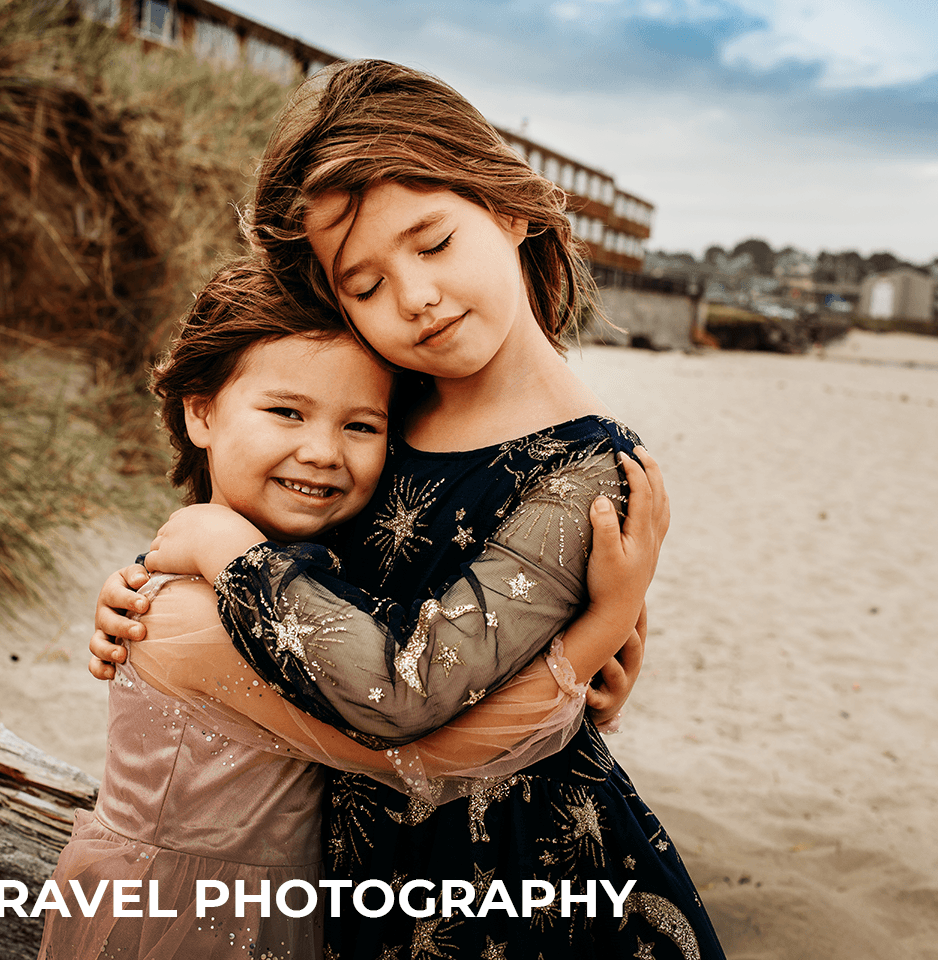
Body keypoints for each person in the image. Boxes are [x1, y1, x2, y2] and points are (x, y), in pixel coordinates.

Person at [92, 61, 722, 959]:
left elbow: (407, 690)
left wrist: (230, 558)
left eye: (432, 244)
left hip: (521, 884)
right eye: (364, 284)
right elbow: (290, 549)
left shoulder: (588, 474)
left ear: (506, 208)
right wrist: (145, 590)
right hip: (365, 869)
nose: (414, 298)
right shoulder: (385, 403)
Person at [43, 258, 664, 960]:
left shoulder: (307, 580)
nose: (321, 453)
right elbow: (424, 754)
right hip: (181, 924)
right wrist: (592, 637)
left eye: (362, 426)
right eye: (286, 411)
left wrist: (585, 686)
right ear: (200, 411)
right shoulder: (193, 617)